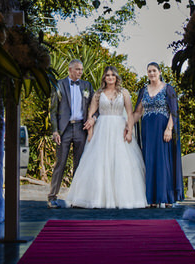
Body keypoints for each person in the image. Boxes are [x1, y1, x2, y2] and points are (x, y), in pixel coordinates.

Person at [61, 65, 148, 209]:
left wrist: (129, 130)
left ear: (116, 77)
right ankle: (96, 198)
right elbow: (91, 114)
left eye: (112, 75)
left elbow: (130, 113)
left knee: (122, 163)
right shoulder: (98, 93)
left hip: (119, 128)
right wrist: (90, 133)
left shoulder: (124, 93)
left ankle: (123, 198)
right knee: (99, 163)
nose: (110, 78)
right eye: (107, 75)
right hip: (102, 128)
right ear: (104, 78)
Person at [133, 61, 183, 207]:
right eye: (149, 71)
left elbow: (174, 111)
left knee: (163, 162)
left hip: (162, 129)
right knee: (150, 161)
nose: (152, 73)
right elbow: (137, 112)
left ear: (160, 72)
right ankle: (152, 199)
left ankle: (166, 197)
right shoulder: (143, 90)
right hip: (148, 130)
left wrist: (169, 129)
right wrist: (127, 125)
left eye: (154, 70)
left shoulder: (168, 89)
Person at [47, 59, 96, 207]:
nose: (80, 72)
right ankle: (52, 197)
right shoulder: (59, 85)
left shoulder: (87, 86)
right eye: (77, 69)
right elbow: (53, 110)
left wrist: (93, 119)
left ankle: (77, 198)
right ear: (69, 70)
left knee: (79, 165)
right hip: (64, 129)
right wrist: (55, 131)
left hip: (81, 129)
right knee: (60, 163)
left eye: (81, 69)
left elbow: (95, 107)